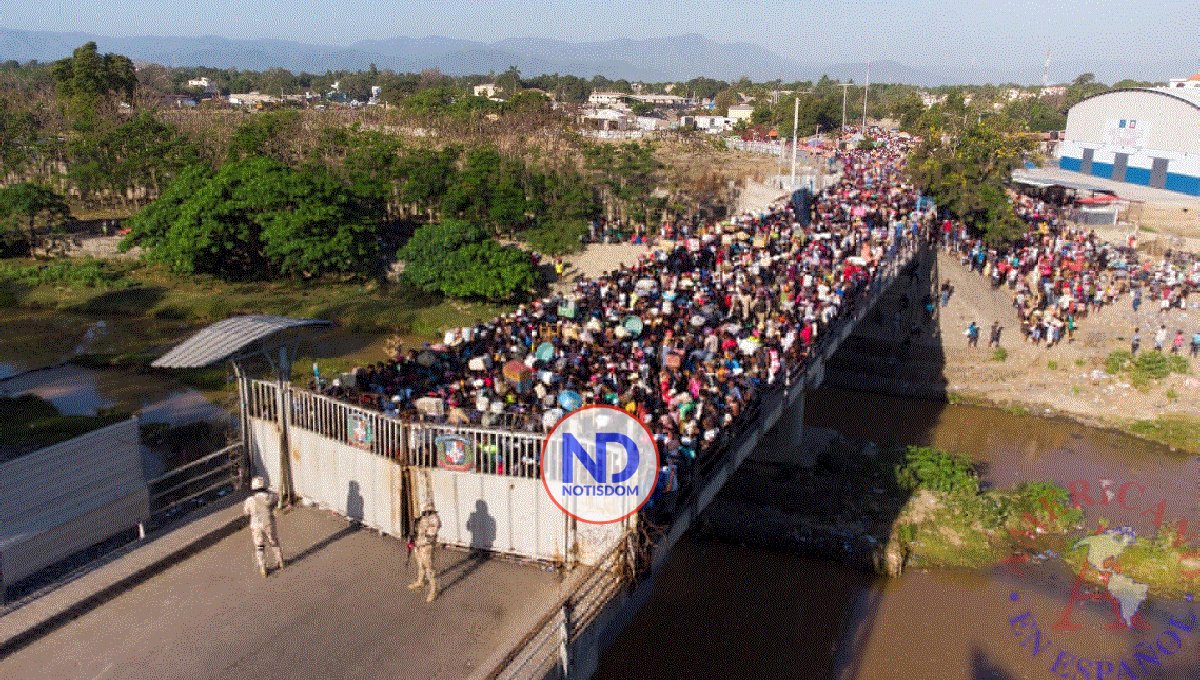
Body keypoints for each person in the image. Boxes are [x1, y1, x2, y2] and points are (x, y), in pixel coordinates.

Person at [243, 476, 284, 577]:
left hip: (256, 525)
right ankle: (280, 561)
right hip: (268, 522)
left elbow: (246, 513)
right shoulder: (270, 497)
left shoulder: (250, 500)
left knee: (259, 546)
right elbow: (277, 498)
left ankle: (263, 568)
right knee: (274, 542)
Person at [408, 499, 442, 603]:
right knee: (420, 564)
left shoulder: (434, 520)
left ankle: (434, 589)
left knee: (429, 568)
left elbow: (430, 537)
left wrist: (418, 542)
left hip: (427, 546)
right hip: (419, 545)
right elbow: (417, 530)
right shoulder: (423, 517)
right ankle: (420, 581)